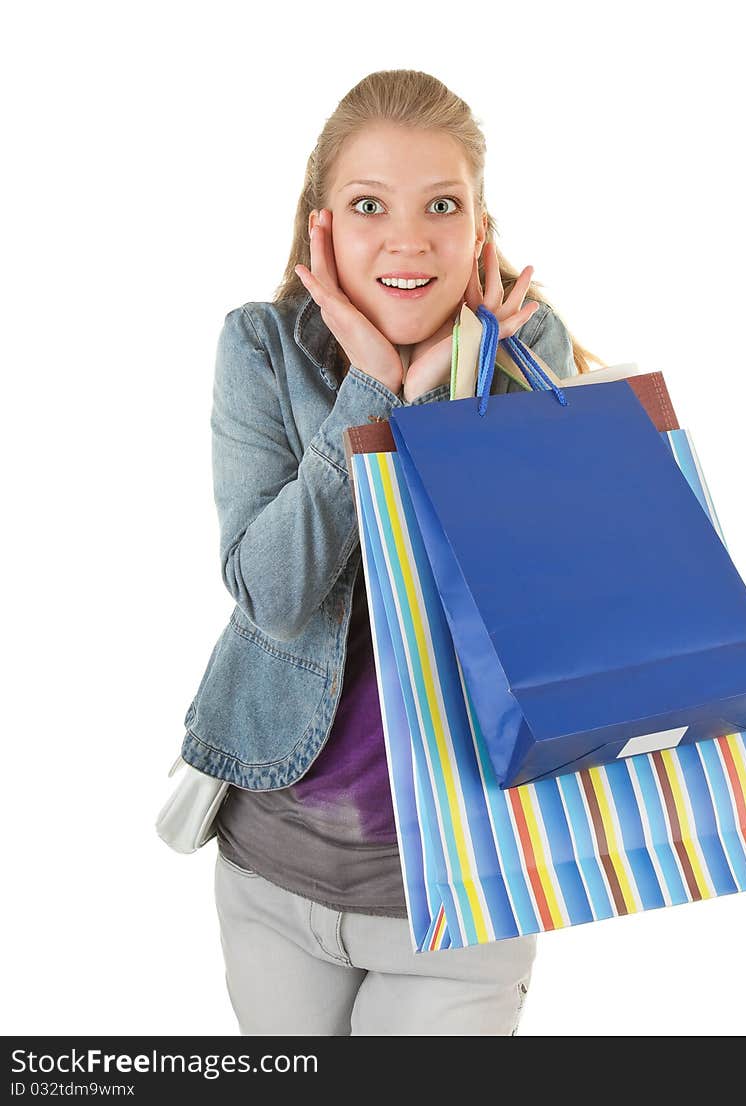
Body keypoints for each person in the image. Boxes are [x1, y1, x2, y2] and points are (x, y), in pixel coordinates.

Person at [183, 68, 605, 1036]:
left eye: (441, 205)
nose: (409, 238)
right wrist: (371, 396)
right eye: (369, 204)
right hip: (270, 872)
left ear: (480, 230)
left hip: (463, 891)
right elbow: (273, 592)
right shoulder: (263, 349)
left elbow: (542, 618)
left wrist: (445, 393)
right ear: (319, 224)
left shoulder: (533, 371)